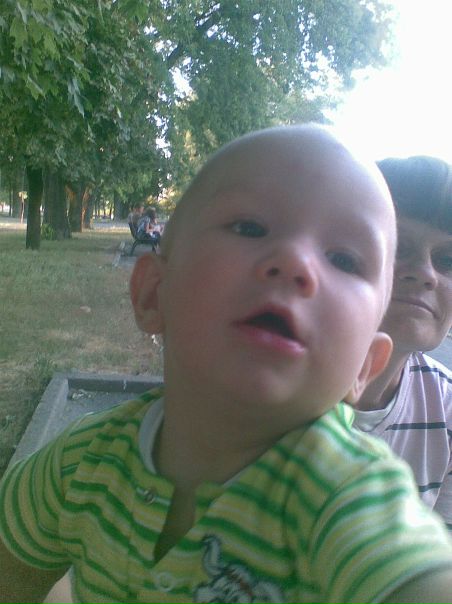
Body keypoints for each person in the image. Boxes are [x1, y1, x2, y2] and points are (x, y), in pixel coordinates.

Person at [2, 125, 452, 604]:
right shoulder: (81, 463)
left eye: (343, 258)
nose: (296, 262)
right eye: (250, 228)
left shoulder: (349, 500)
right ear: (154, 293)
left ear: (365, 364)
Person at [353, 155, 452, 528]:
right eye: (398, 246)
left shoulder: (448, 411)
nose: (426, 273)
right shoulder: (268, 377)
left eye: (448, 259)